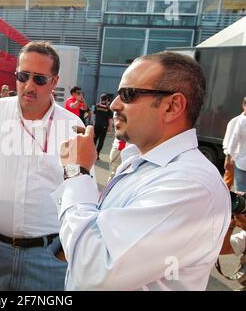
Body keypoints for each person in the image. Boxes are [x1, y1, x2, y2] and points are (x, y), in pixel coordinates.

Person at [53, 51, 231, 290]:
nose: (115, 104)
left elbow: (94, 269)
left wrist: (77, 173)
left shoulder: (190, 184)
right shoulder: (141, 161)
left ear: (172, 106)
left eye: (128, 94)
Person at [0, 41, 84, 291]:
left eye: (39, 79)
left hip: (47, 258)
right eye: (23, 76)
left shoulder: (73, 125)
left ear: (55, 80)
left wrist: (66, 249)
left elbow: (82, 189)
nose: (28, 86)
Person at [225, 97, 246, 192]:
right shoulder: (235, 121)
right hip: (237, 160)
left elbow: (233, 139)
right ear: (243, 105)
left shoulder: (241, 121)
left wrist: (229, 157)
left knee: (240, 192)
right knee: (227, 184)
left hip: (239, 162)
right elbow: (230, 140)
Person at [223, 110, 242, 190]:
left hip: (241, 161)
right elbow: (227, 141)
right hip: (233, 159)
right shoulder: (235, 121)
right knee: (227, 185)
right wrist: (228, 158)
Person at [93, 94, 113, 160]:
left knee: (94, 140)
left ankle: (92, 153)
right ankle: (97, 154)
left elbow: (94, 115)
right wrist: (110, 130)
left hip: (96, 125)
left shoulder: (97, 106)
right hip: (104, 126)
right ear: (107, 100)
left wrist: (93, 124)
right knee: (101, 141)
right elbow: (110, 120)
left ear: (100, 99)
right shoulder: (108, 109)